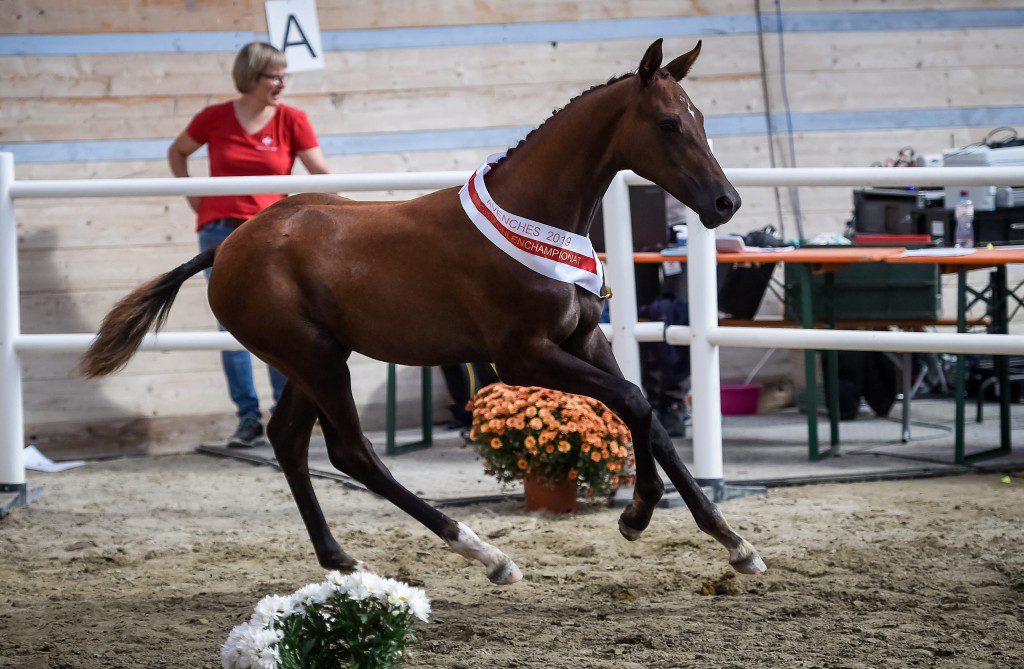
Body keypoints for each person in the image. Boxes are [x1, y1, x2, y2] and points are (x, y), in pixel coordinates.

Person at [167, 42, 330, 447]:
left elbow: (320, 172)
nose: (282, 83)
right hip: (221, 231)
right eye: (274, 76)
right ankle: (247, 417)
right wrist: (193, 197)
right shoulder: (214, 117)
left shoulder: (292, 119)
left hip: (274, 237)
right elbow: (178, 152)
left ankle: (285, 411)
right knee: (231, 325)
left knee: (283, 324)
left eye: (283, 75)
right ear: (252, 78)